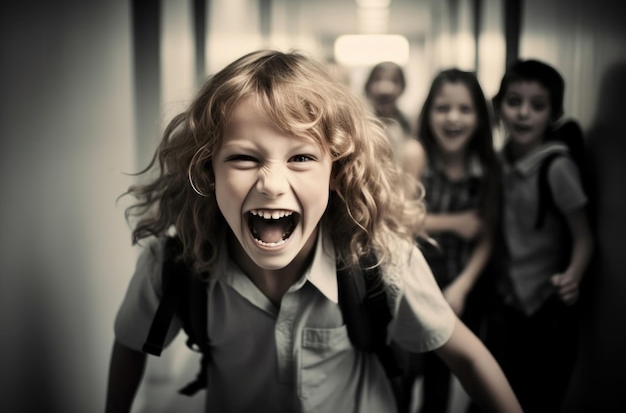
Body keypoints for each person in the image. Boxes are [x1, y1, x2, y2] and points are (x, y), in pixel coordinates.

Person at [104, 50, 522, 413]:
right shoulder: (175, 265)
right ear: (207, 171)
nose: (271, 184)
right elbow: (130, 343)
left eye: (301, 157)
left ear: (336, 173)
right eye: (244, 159)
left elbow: (467, 359)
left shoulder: (378, 257)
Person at [478, 59, 594, 413]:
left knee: (539, 397)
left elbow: (584, 236)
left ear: (553, 113)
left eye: (537, 106)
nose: (523, 114)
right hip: (507, 303)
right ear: (499, 107)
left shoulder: (557, 167)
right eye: (514, 102)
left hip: (547, 308)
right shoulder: (497, 163)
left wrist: (573, 276)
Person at [406, 69, 501, 413]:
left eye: (465, 109)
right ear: (428, 112)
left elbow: (486, 236)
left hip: (463, 288)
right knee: (413, 376)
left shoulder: (488, 167)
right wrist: (455, 223)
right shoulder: (416, 155)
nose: (453, 118)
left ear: (480, 117)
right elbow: (397, 221)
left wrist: (462, 287)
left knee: (456, 372)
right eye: (442, 108)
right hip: (415, 285)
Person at [364, 61, 421, 176]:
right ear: (368, 86)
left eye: (394, 81)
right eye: (378, 80)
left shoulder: (410, 125)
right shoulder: (359, 123)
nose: (385, 88)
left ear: (403, 87)